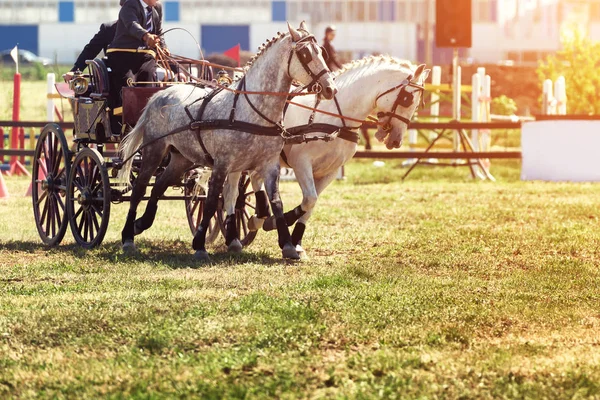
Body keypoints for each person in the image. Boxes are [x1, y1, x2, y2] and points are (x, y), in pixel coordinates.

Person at [106, 0, 167, 108]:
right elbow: (132, 25)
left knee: (148, 81)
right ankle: (126, 114)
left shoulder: (157, 8)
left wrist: (163, 48)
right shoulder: (130, 4)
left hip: (145, 56)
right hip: (122, 55)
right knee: (128, 83)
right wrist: (146, 36)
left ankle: (147, 113)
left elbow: (159, 33)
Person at [64, 0, 125, 82]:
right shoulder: (109, 29)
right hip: (114, 79)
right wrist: (75, 70)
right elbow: (90, 50)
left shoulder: (146, 31)